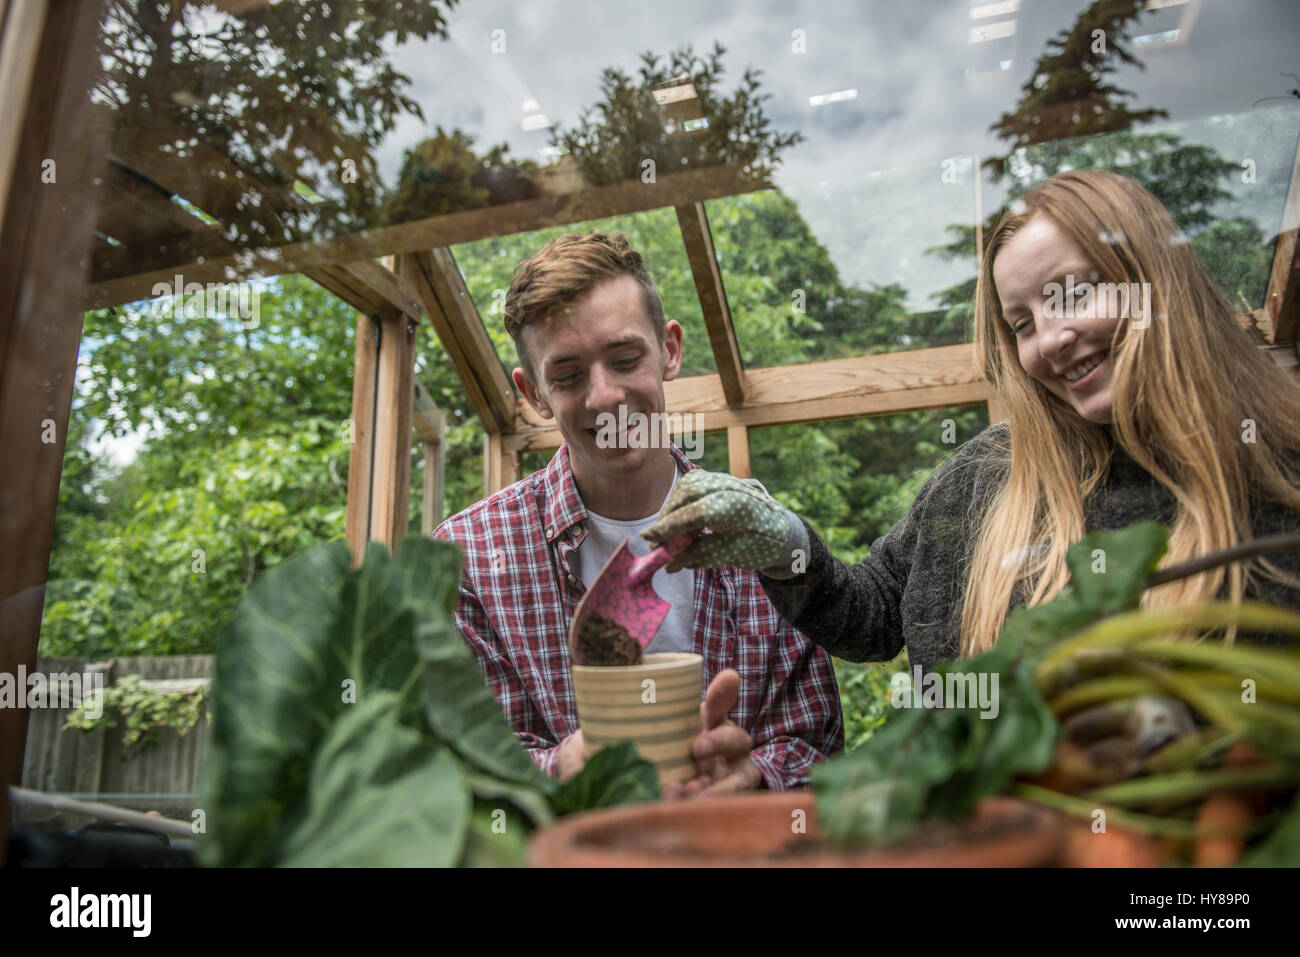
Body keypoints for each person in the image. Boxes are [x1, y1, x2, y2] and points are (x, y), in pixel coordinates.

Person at [643, 168, 1300, 673]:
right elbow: (872, 614)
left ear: (1153, 280)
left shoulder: (1277, 477)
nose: (1051, 339)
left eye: (1072, 293)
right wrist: (785, 542)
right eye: (1022, 324)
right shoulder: (983, 476)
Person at [433, 230, 843, 796]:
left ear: (669, 350)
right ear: (534, 394)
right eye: (569, 376)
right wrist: (563, 772)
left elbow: (817, 743)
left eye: (625, 359)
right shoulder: (468, 558)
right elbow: (456, 765)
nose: (603, 397)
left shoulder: (761, 534)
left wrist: (753, 776)